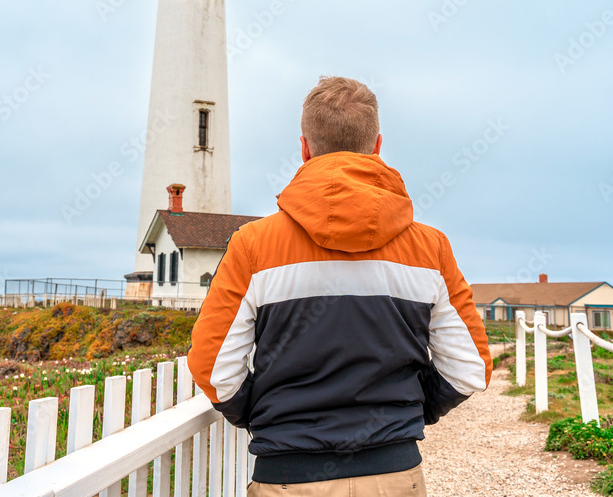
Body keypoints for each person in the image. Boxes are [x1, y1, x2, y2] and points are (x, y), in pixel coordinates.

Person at [188, 76, 491, 496]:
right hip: (394, 474)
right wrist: (413, 410)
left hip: (288, 477)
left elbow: (213, 368)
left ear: (305, 148)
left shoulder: (253, 246)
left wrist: (261, 414)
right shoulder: (430, 249)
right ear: (377, 145)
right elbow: (469, 368)